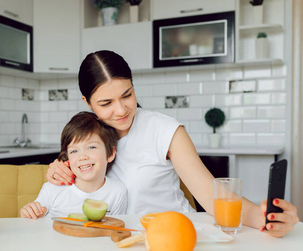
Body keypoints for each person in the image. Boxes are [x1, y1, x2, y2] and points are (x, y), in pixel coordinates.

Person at [46, 50, 299, 238]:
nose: (121, 110)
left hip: (176, 237)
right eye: (106, 103)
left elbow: (210, 196)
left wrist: (261, 217)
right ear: (87, 101)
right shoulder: (84, 139)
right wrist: (58, 171)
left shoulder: (165, 131)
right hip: (120, 243)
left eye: (127, 95)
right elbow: (72, 190)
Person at [20, 111, 127, 219]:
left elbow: (115, 227)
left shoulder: (117, 191)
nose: (82, 157)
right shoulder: (52, 189)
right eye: (74, 151)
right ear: (68, 158)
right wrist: (29, 212)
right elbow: (33, 219)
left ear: (111, 154)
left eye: (91, 147)